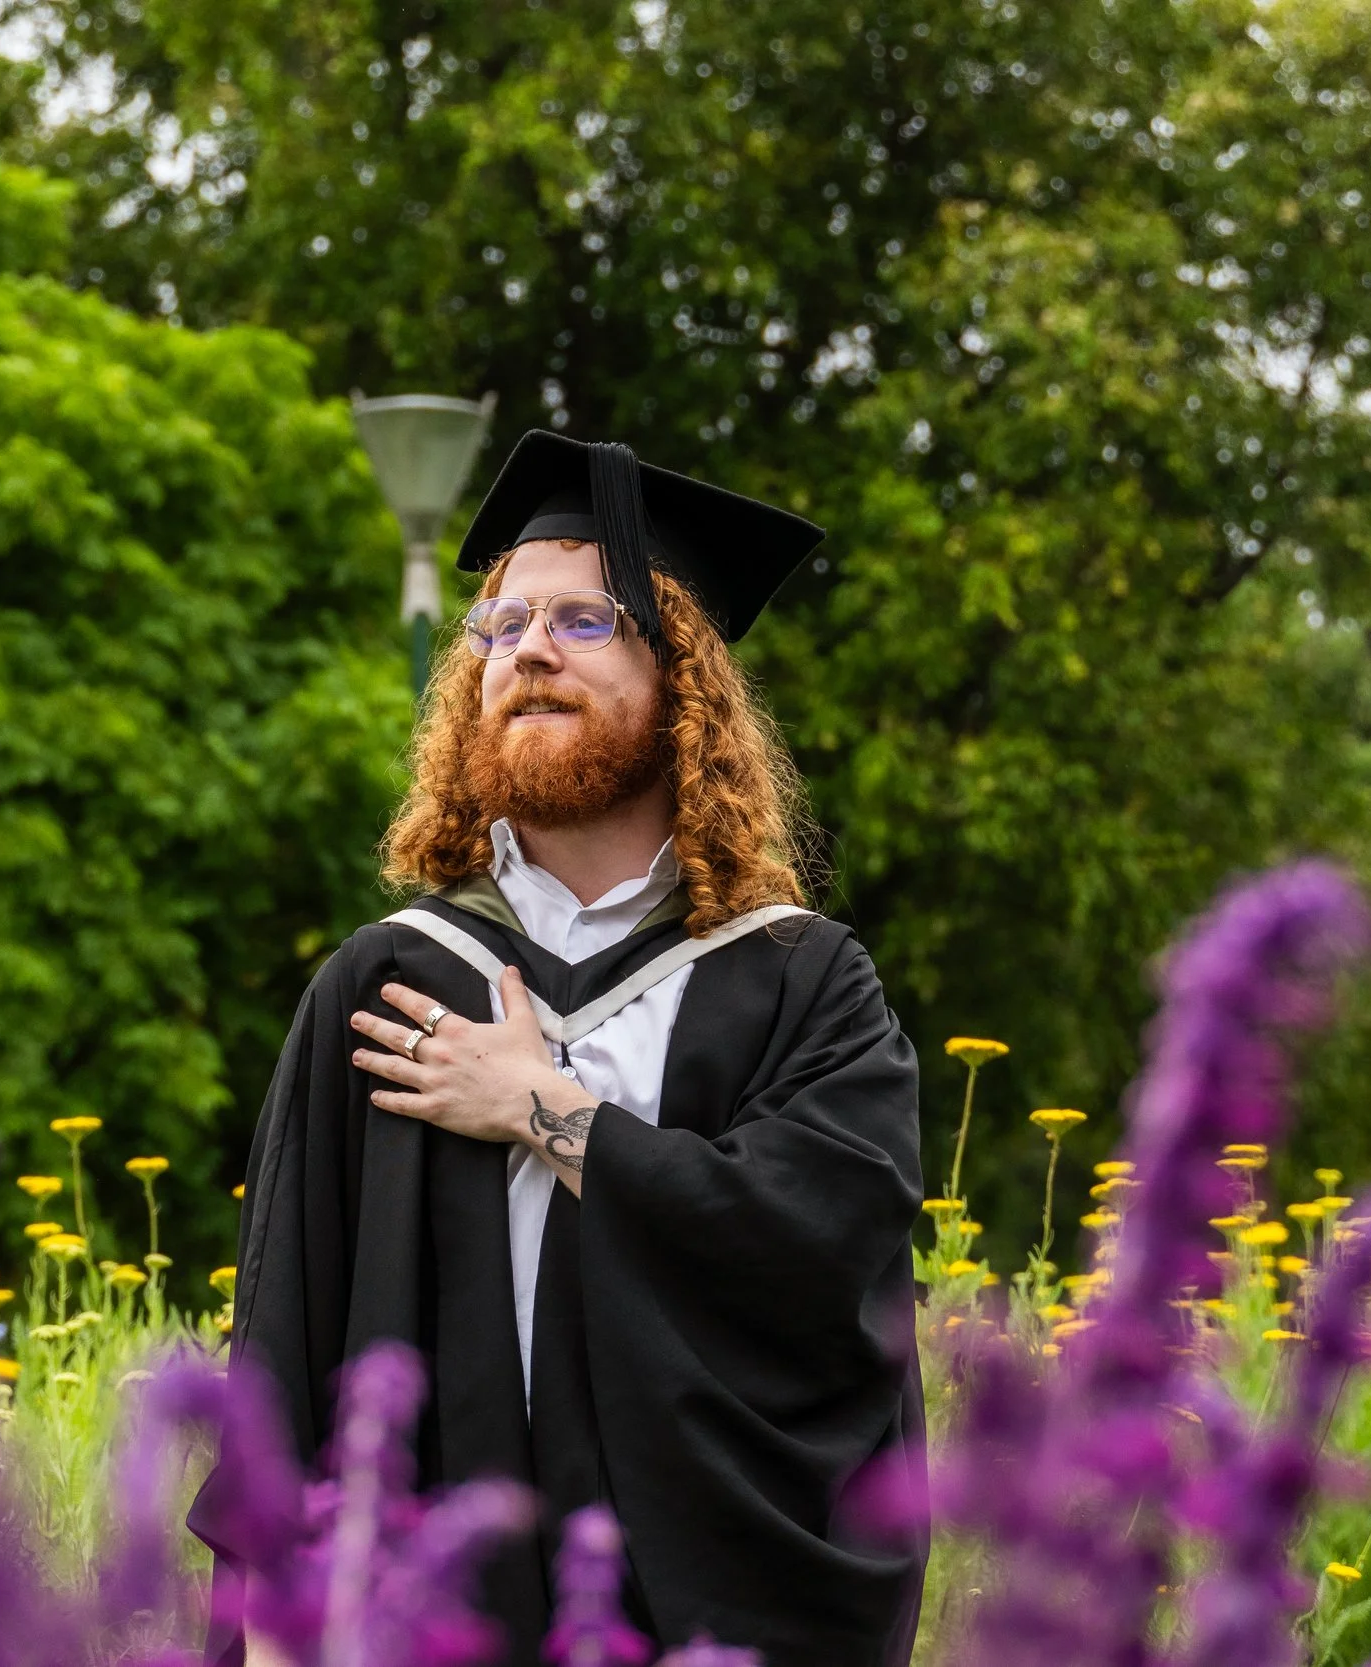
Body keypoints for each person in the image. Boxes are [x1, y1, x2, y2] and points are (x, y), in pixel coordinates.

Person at [205, 430, 926, 1665]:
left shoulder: (799, 981)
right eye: (499, 626)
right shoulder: (386, 980)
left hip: (699, 1612)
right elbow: (289, 1331)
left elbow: (820, 1247)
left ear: (682, 676)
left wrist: (548, 1111)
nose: (526, 649)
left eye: (585, 619)